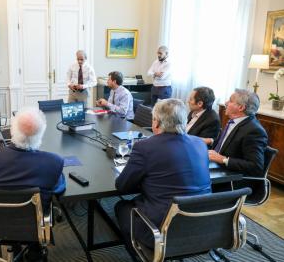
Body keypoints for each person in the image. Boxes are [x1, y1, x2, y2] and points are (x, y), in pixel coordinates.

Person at [0, 107, 65, 261]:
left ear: (12, 131)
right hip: (31, 226)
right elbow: (59, 189)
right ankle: (34, 251)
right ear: (41, 134)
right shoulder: (53, 162)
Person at [115, 98, 211, 256]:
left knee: (121, 207)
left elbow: (122, 186)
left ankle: (141, 255)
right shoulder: (200, 144)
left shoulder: (144, 147)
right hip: (203, 223)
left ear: (157, 122)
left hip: (163, 228)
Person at [204, 89, 268, 177]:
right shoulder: (234, 121)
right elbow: (225, 144)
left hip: (232, 178)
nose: (226, 103)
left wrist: (223, 159)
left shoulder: (254, 131)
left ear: (241, 107)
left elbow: (255, 167)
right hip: (216, 166)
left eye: (230, 101)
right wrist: (210, 141)